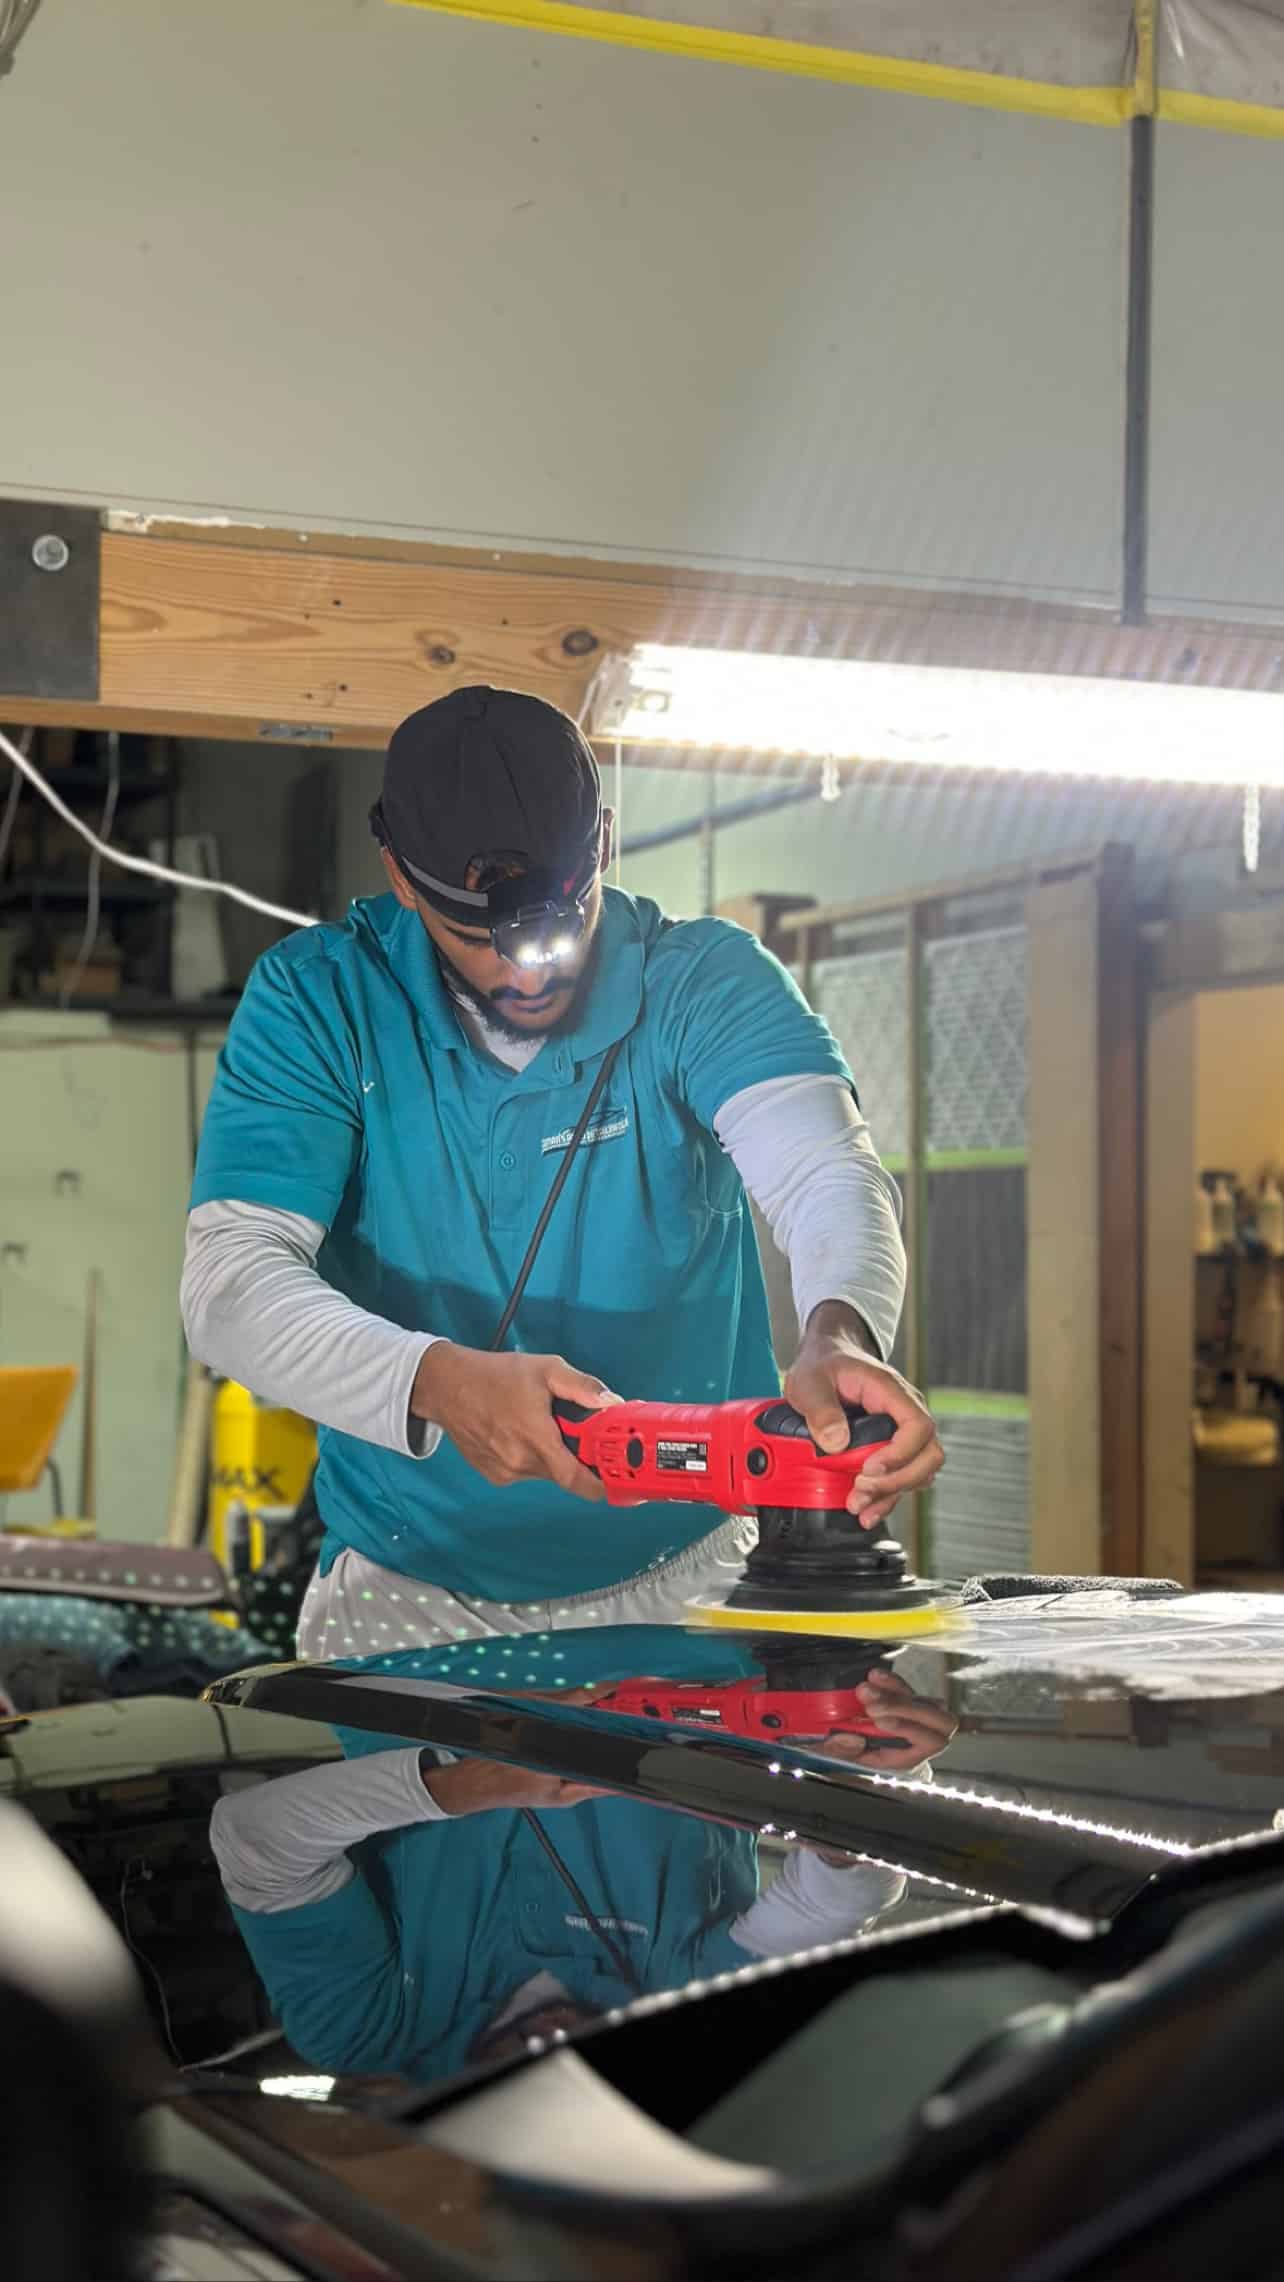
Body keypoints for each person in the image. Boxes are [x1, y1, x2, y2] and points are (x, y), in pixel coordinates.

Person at [182, 686, 943, 1658]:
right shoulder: (317, 1000)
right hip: (404, 1590)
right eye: (479, 938)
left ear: (605, 842)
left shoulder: (702, 979)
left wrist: (842, 1327)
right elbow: (230, 1284)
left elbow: (826, 1170)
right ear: (401, 877)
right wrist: (437, 1381)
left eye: (566, 920)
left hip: (688, 1578)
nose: (529, 972)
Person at [209, 1640, 957, 2083]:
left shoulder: (367, 2035)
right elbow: (835, 1899)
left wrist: (471, 1784)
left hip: (425, 1622)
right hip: (674, 1627)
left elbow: (254, 1841)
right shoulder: (681, 2016)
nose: (557, 2073)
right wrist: (869, 1783)